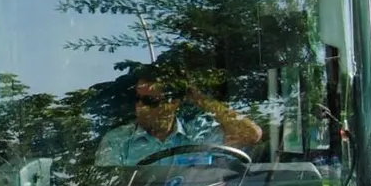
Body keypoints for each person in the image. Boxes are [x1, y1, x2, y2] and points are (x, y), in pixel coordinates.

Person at [95, 71, 262, 167]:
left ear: (174, 103)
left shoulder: (200, 133)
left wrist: (202, 100)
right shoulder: (117, 141)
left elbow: (251, 134)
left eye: (150, 101)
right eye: (137, 99)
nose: (140, 107)